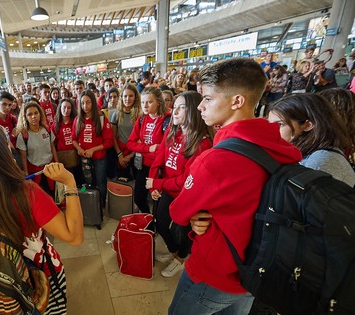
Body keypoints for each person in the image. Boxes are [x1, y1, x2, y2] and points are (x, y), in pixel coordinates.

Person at [167, 58, 302, 315]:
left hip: (216, 273)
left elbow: (178, 213)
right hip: (257, 271)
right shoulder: (284, 148)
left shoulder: (215, 160)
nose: (201, 107)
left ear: (237, 101)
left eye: (207, 99)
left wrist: (197, 216)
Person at [0, 123, 83, 314]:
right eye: (8, 145)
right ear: (4, 155)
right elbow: (74, 237)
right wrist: (70, 183)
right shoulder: (26, 192)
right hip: (38, 276)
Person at [146, 91, 213, 278]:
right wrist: (154, 186)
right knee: (160, 222)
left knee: (184, 231)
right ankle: (175, 252)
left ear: (193, 110)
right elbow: (159, 158)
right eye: (174, 106)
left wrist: (158, 182)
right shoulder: (173, 130)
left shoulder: (202, 143)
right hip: (168, 188)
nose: (174, 111)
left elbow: (186, 180)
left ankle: (181, 258)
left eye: (180, 107)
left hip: (187, 195)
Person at [268, 93, 355, 186]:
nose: (270, 130)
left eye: (280, 124)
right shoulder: (307, 152)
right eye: (269, 124)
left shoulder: (320, 160)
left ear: (308, 125)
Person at [127, 87, 169, 214]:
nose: (145, 105)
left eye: (149, 102)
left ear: (158, 102)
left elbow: (164, 150)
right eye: (143, 102)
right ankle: (148, 219)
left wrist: (143, 148)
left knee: (158, 200)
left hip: (161, 168)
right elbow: (130, 143)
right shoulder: (141, 120)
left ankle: (154, 224)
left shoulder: (167, 120)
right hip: (143, 165)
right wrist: (148, 148)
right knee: (139, 198)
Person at [72, 90, 114, 207]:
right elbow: (73, 139)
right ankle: (90, 205)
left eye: (88, 103)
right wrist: (79, 149)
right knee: (87, 183)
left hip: (99, 158)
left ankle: (100, 206)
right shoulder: (77, 119)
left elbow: (109, 142)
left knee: (101, 182)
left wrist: (93, 150)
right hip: (84, 158)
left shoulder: (101, 118)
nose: (85, 106)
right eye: (83, 103)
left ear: (93, 103)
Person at [16, 102, 58, 195]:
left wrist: (57, 163)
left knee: (53, 195)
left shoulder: (47, 129)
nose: (33, 116)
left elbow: (52, 147)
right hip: (35, 173)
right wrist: (26, 173)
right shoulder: (23, 135)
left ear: (40, 114)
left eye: (36, 113)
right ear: (25, 117)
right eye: (30, 114)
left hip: (50, 169)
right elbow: (23, 156)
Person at [111, 84, 141, 179]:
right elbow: (113, 137)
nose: (127, 99)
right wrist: (120, 155)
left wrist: (131, 156)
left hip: (136, 152)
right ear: (122, 97)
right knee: (123, 182)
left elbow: (141, 139)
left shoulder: (140, 115)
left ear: (135, 97)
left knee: (137, 181)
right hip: (120, 151)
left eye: (131, 96)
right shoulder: (116, 114)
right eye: (125, 96)